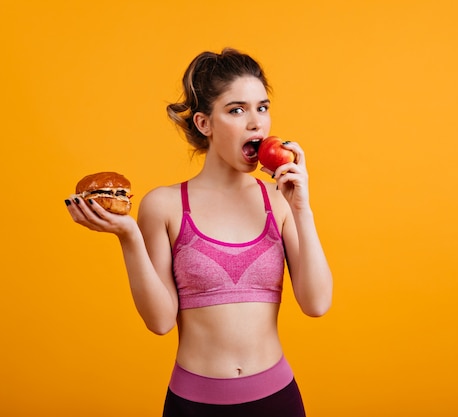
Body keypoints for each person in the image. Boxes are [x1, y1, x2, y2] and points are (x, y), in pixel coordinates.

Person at [65, 48, 333, 417]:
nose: (256, 123)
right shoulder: (164, 205)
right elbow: (160, 322)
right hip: (194, 405)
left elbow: (317, 304)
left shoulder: (279, 202)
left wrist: (302, 208)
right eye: (236, 110)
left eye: (262, 107)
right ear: (204, 124)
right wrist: (129, 238)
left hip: (278, 401)